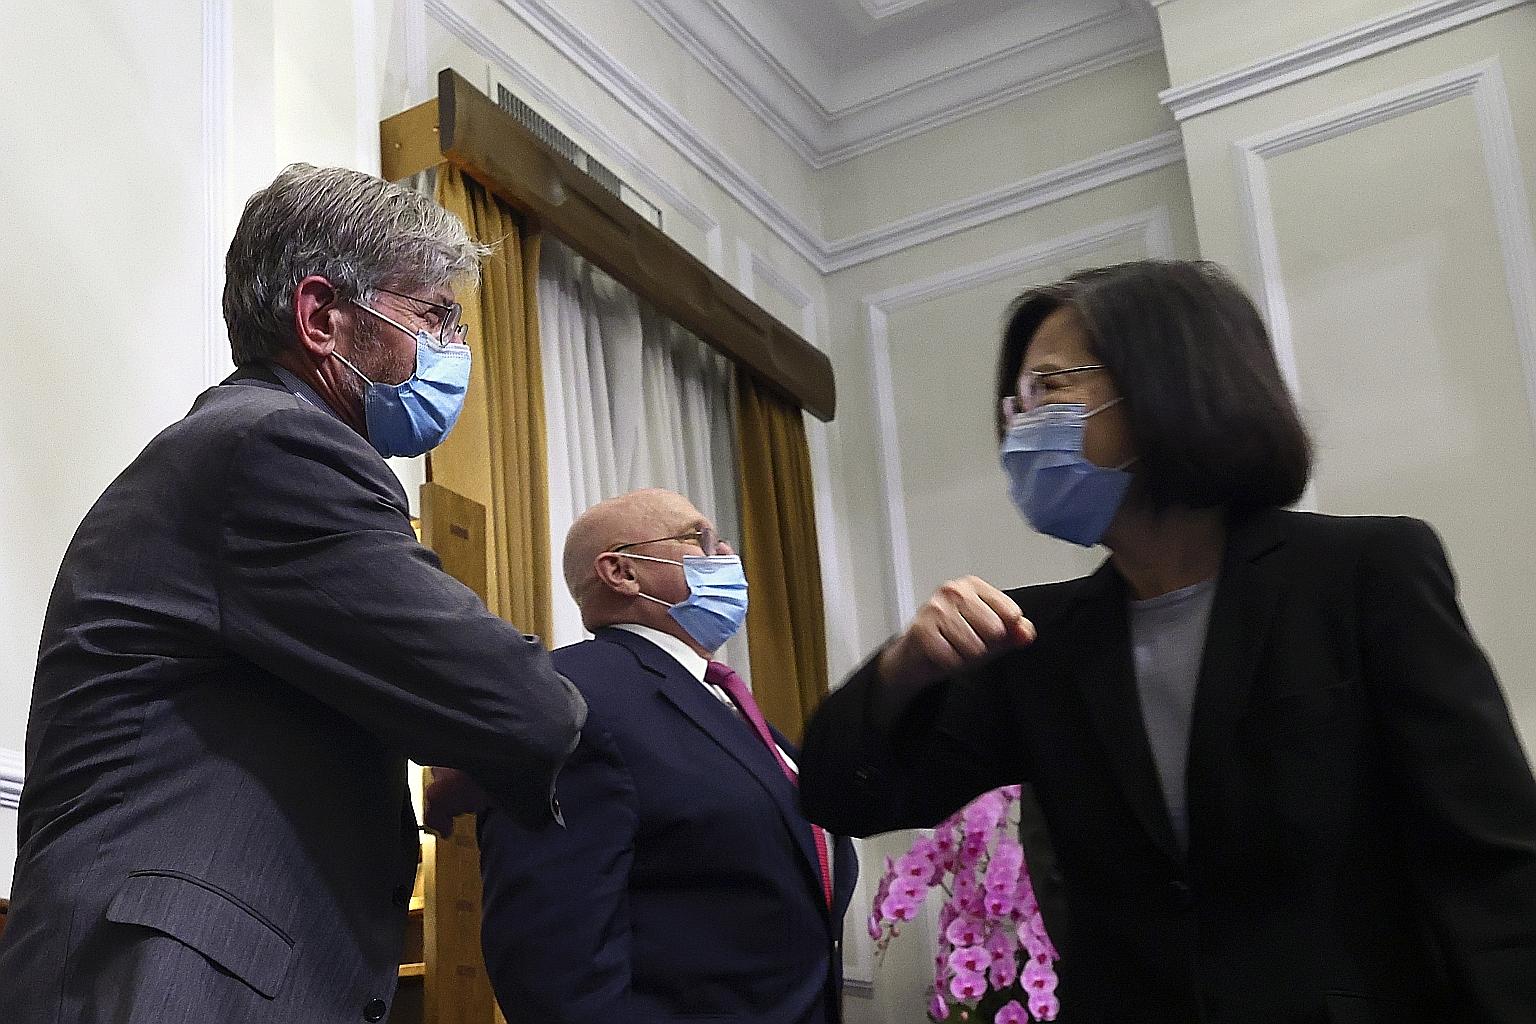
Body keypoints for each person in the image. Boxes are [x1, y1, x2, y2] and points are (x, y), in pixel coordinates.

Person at [798, 260, 1536, 1024]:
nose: (1021, 424)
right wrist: (903, 670)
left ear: (1164, 386)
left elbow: (1491, 866)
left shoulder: (1362, 574)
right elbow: (836, 793)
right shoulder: (1035, 641)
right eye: (1016, 402)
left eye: (1049, 387)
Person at [0, 164, 587, 1024]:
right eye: (433, 316)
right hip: (172, 989)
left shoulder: (236, 447)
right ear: (320, 317)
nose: (454, 349)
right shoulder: (279, 449)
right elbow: (523, 704)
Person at [457, 488, 857, 1024]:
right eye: (700, 539)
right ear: (621, 572)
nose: (725, 555)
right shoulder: (570, 695)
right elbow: (553, 966)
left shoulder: (719, 698)